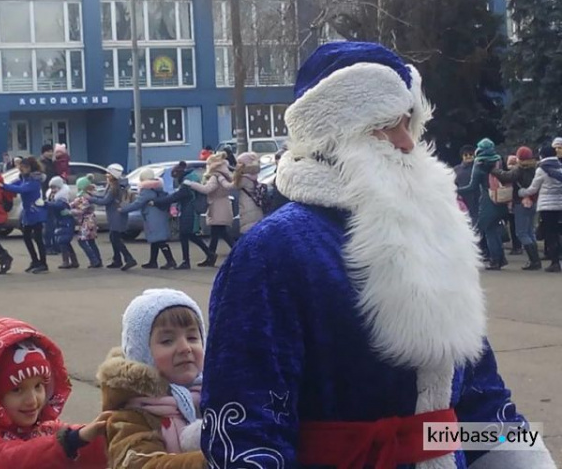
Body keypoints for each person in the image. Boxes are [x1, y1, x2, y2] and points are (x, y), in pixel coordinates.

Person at [201, 42, 556, 468]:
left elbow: (479, 394)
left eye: (409, 123)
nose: (407, 143)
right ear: (331, 136)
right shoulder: (273, 251)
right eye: (386, 126)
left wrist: (520, 458)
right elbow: (248, 428)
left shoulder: (435, 232)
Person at [0, 317, 110, 469]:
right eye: (17, 389)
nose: (32, 400)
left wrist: (108, 433)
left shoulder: (48, 431)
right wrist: (71, 442)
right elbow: (13, 459)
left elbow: (84, 444)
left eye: (38, 386)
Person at [97, 289, 205, 466]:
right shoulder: (130, 413)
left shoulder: (218, 396)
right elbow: (139, 463)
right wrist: (211, 459)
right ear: (142, 353)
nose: (185, 348)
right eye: (167, 341)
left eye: (192, 337)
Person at [458, 139, 509, 270]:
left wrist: (456, 190)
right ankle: (500, 258)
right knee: (494, 230)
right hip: (501, 199)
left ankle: (495, 260)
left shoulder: (479, 163)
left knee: (488, 231)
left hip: (487, 200)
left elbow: (472, 187)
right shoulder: (499, 161)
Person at [152, 162, 214, 270]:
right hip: (190, 210)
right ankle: (209, 254)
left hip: (189, 211)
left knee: (185, 235)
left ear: (178, 175)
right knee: (190, 235)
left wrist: (156, 202)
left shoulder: (186, 184)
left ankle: (187, 261)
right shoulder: (190, 179)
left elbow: (175, 197)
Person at [491, 147, 541, 270]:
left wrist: (494, 170)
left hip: (521, 203)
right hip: (533, 202)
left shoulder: (519, 169)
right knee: (529, 231)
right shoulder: (534, 168)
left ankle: (534, 260)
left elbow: (507, 177)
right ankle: (535, 260)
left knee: (522, 233)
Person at [182, 153, 234, 267]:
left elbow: (207, 189)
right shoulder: (224, 174)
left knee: (220, 232)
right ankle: (210, 256)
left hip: (217, 206)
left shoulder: (215, 176)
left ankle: (231, 253)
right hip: (222, 205)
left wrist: (191, 184)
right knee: (218, 233)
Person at [120, 169, 177, 270]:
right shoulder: (157, 187)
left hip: (153, 216)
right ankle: (153, 261)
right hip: (159, 215)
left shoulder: (147, 190)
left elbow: (138, 203)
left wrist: (124, 209)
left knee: (159, 240)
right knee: (155, 239)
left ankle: (170, 261)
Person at [0, 157, 49, 274]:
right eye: (21, 167)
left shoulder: (34, 180)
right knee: (27, 237)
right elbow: (14, 184)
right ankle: (35, 260)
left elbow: (21, 189)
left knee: (38, 239)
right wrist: (2, 183)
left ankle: (43, 263)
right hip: (28, 212)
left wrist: (3, 186)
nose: (22, 169)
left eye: (25, 167)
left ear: (31, 168)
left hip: (36, 211)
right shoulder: (24, 178)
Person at [518, 144, 562, 273]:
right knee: (557, 233)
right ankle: (556, 261)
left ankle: (555, 263)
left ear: (542, 155)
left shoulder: (542, 169)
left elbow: (533, 188)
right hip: (560, 205)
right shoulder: (560, 167)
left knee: (550, 235)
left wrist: (521, 192)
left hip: (548, 206)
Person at [88, 164, 137, 271]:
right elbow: (104, 196)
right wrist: (93, 195)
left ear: (113, 175)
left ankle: (129, 258)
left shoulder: (115, 187)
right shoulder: (113, 185)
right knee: (113, 237)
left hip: (117, 215)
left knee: (116, 238)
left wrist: (91, 199)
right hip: (115, 215)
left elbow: (105, 201)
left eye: (109, 173)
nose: (107, 175)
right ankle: (117, 259)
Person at [45, 177, 80, 270]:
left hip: (66, 222)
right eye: (51, 188)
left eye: (54, 188)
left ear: (60, 188)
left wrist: (45, 204)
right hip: (62, 222)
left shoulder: (61, 199)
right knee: (64, 242)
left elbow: (58, 206)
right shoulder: (55, 198)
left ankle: (66, 261)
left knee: (63, 241)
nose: (53, 190)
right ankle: (73, 261)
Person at [70, 176, 102, 268]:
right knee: (91, 241)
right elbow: (74, 203)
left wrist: (70, 211)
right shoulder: (85, 195)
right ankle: (97, 260)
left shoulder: (85, 197)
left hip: (87, 221)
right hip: (89, 220)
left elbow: (81, 209)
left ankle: (94, 260)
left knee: (82, 240)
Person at [233, 152, 265, 235]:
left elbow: (231, 186)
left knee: (248, 231)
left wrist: (221, 177)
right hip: (255, 207)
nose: (237, 165)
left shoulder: (244, 179)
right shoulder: (253, 177)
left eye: (240, 163)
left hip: (246, 207)